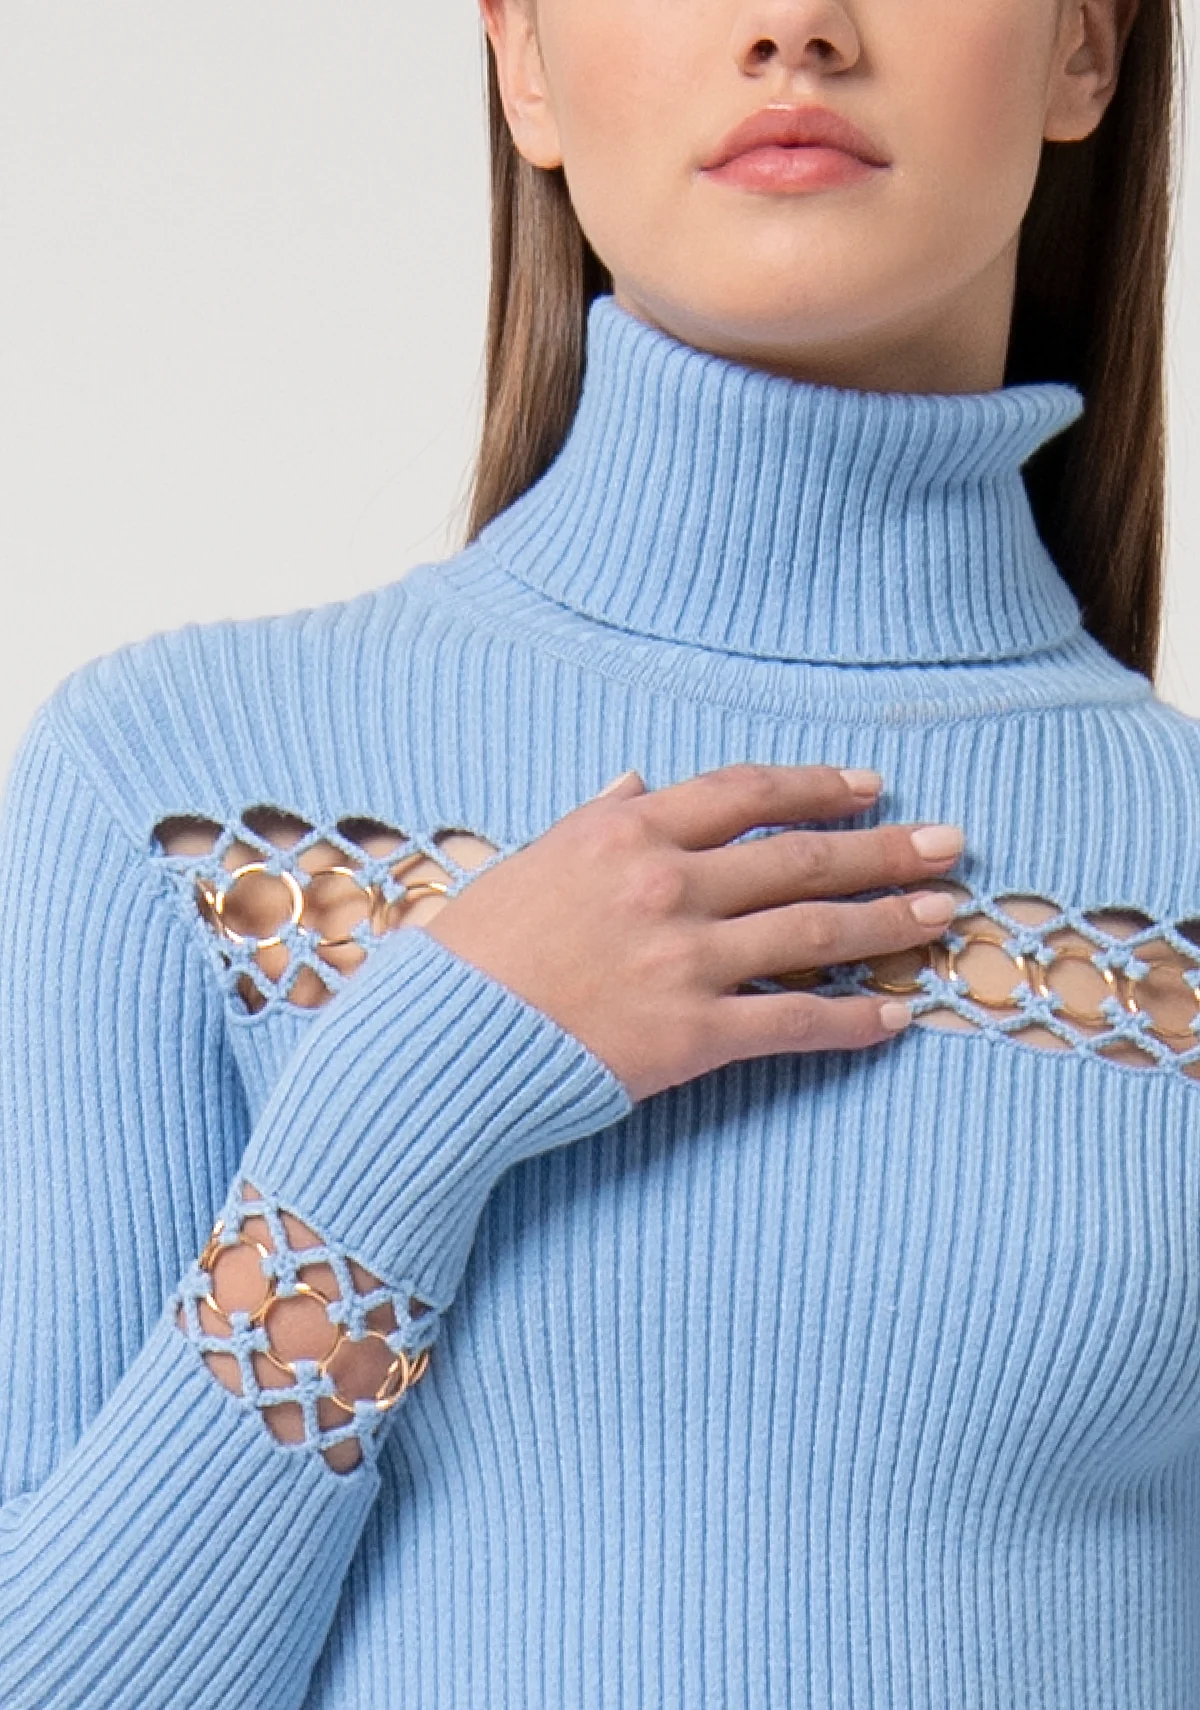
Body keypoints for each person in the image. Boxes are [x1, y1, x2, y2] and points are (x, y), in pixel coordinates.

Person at [0, 0, 1191, 1703]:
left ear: (1085, 47)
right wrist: (413, 1091)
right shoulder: (177, 801)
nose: (796, 26)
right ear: (524, 60)